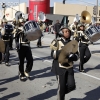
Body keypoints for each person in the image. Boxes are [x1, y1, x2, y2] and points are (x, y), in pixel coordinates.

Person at [51, 26, 79, 100]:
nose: (68, 33)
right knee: (62, 87)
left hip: (69, 67)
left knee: (72, 86)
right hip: (60, 68)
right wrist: (64, 51)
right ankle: (61, 95)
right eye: (66, 31)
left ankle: (61, 93)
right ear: (61, 32)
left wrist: (73, 56)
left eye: (69, 31)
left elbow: (77, 55)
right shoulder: (56, 41)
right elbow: (53, 55)